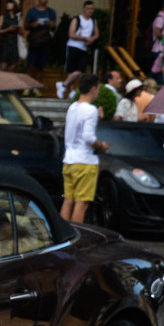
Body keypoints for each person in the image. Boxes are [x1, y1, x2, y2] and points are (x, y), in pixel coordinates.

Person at [60, 73, 108, 223]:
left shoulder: (73, 107)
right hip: (85, 161)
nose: (98, 92)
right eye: (98, 89)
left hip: (69, 159)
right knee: (82, 204)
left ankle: (64, 237)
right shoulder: (91, 110)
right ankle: (77, 239)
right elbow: (88, 137)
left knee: (68, 200)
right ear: (93, 89)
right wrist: (101, 146)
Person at [58, 1, 99, 98]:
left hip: (83, 48)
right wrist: (85, 38)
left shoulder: (93, 21)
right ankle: (71, 90)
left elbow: (96, 33)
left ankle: (63, 84)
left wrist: (92, 39)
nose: (90, 11)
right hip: (73, 46)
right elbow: (71, 34)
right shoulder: (77, 19)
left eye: (92, 9)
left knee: (81, 70)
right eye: (88, 8)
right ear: (84, 9)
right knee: (72, 70)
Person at [24, 0, 57, 91]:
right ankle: (27, 87)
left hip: (45, 42)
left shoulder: (51, 12)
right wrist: (33, 24)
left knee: (40, 66)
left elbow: (54, 27)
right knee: (31, 65)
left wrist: (52, 25)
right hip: (34, 42)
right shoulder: (32, 11)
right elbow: (25, 26)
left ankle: (36, 88)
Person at [0, 0, 23, 72]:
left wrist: (18, 29)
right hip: (5, 41)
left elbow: (22, 32)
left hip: (15, 42)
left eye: (10, 3)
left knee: (13, 65)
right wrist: (7, 29)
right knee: (3, 65)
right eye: (8, 3)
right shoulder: (3, 17)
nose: (8, 4)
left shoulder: (18, 17)